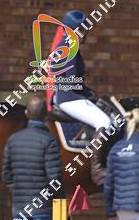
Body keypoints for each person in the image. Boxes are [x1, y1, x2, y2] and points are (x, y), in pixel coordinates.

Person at [1, 95, 61, 220]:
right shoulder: (49, 140)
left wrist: (17, 191)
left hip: (20, 205)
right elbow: (54, 178)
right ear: (46, 115)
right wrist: (55, 199)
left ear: (26, 113)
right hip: (43, 206)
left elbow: (6, 174)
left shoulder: (13, 139)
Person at [46, 10, 117, 182]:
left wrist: (88, 92)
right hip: (69, 98)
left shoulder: (66, 44)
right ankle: (97, 169)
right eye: (83, 30)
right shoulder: (69, 46)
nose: (85, 33)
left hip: (67, 95)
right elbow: (71, 81)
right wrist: (87, 93)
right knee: (105, 122)